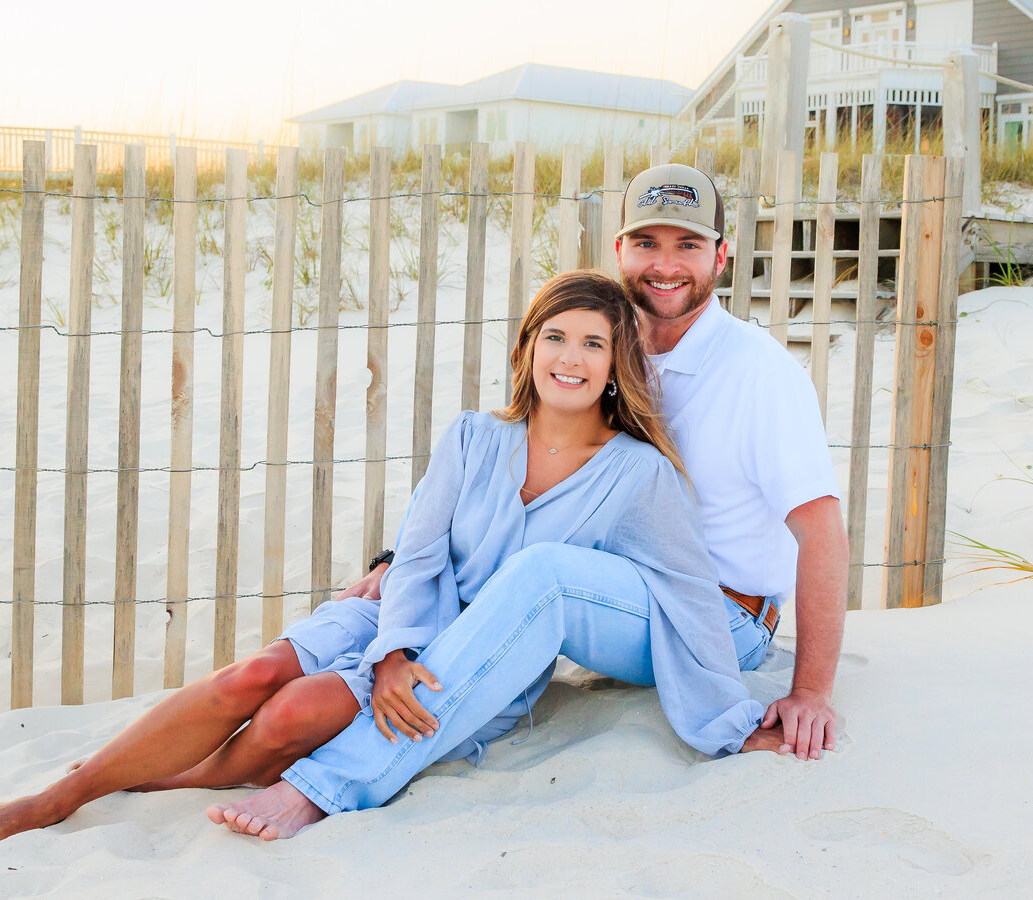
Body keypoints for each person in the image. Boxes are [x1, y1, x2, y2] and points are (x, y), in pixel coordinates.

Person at [206, 266, 785, 840]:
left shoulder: (716, 399)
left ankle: (327, 786)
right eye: (555, 338)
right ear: (529, 347)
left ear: (615, 367)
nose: (571, 356)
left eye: (591, 346)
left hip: (728, 619)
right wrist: (392, 635)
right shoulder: (483, 435)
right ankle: (178, 773)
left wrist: (733, 720)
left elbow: (688, 588)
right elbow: (426, 542)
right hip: (603, 607)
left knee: (543, 571)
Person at [315, 163, 846, 765]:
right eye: (647, 243)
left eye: (688, 246)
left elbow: (821, 531)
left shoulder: (761, 375)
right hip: (615, 593)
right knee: (373, 619)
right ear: (620, 250)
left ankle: (346, 771)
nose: (665, 265)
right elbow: (502, 449)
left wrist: (809, 692)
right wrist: (401, 560)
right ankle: (326, 713)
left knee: (548, 578)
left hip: (718, 619)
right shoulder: (598, 347)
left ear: (720, 257)